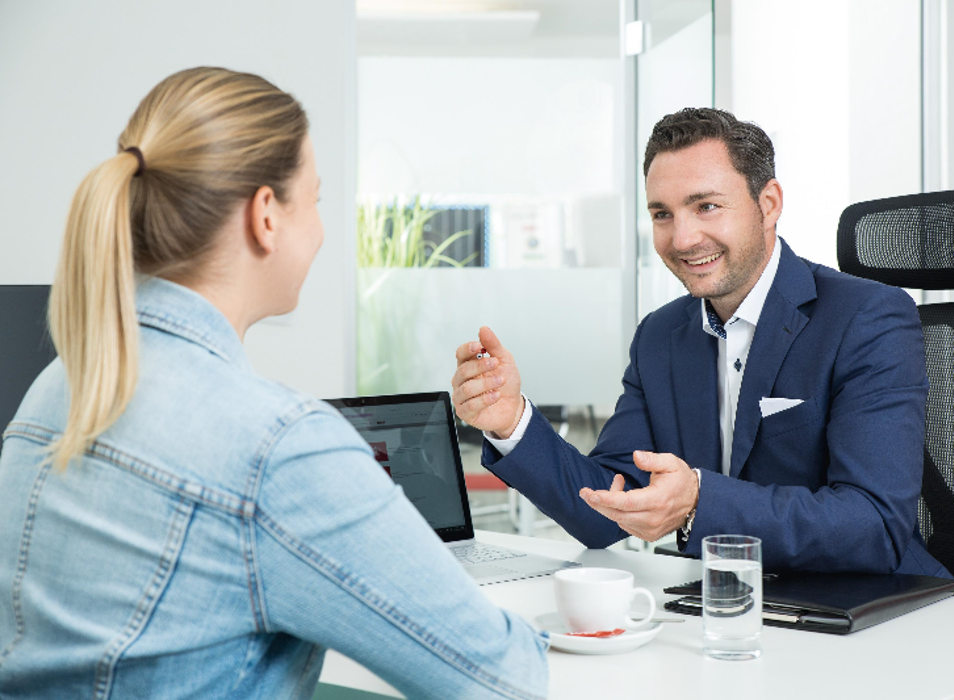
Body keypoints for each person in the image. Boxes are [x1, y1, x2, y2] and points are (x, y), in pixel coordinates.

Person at [0, 67, 548, 699]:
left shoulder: (57, 387)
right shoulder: (276, 448)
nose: (318, 228)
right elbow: (505, 681)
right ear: (266, 215)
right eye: (314, 200)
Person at [452, 107, 950, 578]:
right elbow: (606, 511)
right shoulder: (661, 336)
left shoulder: (866, 317)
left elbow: (875, 524)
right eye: (662, 214)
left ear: (768, 204)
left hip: (867, 612)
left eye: (706, 206)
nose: (683, 238)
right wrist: (512, 421)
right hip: (720, 608)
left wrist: (697, 501)